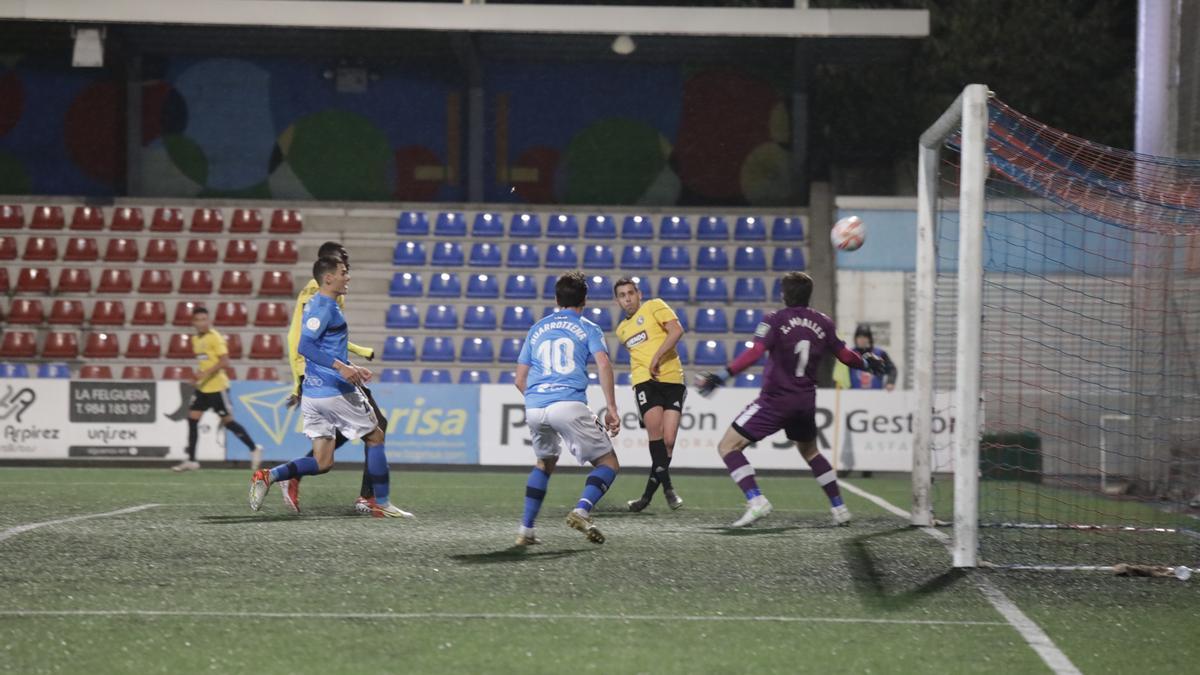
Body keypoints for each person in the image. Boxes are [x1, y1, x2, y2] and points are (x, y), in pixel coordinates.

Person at [695, 272, 886, 528]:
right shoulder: (824, 322)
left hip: (775, 400)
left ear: (784, 294)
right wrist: (865, 363)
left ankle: (756, 501)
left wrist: (721, 376)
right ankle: (840, 509)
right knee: (810, 451)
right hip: (805, 401)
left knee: (728, 447)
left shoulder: (774, 320)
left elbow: (754, 354)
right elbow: (844, 355)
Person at [250, 257, 412, 519]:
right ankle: (380, 502)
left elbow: (325, 348)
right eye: (343, 273)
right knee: (376, 436)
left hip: (314, 394)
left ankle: (269, 475)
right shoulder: (325, 307)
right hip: (334, 391)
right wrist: (342, 369)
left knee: (323, 462)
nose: (347, 277)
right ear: (328, 278)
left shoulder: (316, 304)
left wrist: (353, 366)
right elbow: (306, 346)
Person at [514, 271, 621, 546]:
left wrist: (541, 398)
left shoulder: (537, 328)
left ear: (556, 298)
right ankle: (582, 510)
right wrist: (611, 407)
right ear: (584, 300)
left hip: (535, 407)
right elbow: (604, 365)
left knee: (544, 463)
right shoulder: (588, 327)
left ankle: (526, 530)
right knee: (608, 463)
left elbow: (519, 380)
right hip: (568, 404)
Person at [280, 241, 385, 516]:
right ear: (329, 266)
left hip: (327, 368)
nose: (347, 268)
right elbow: (300, 338)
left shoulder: (332, 292)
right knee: (375, 428)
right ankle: (368, 498)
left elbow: (332, 338)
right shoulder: (317, 292)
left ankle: (295, 474)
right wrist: (298, 379)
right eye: (343, 262)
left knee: (360, 431)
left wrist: (358, 354)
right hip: (318, 372)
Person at [612, 277, 685, 512]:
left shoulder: (655, 306)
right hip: (645, 382)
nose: (627, 298)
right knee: (656, 432)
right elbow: (640, 354)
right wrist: (649, 365)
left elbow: (676, 331)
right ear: (618, 301)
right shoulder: (621, 331)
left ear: (639, 294)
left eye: (630, 293)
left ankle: (645, 498)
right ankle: (669, 489)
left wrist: (657, 358)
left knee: (669, 442)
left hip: (672, 378)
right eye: (622, 295)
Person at [173, 306, 263, 472]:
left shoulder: (215, 337)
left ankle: (253, 448)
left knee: (228, 422)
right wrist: (196, 377)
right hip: (203, 388)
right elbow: (205, 362)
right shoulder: (195, 340)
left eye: (204, 319)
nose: (201, 323)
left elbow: (224, 361)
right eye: (198, 320)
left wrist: (203, 374)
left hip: (217, 387)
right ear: (193, 322)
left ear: (209, 320)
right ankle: (192, 460)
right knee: (192, 419)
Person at [849, 324, 897, 391]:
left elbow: (892, 369)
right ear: (856, 339)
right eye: (859, 337)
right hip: (854, 396)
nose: (862, 340)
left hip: (876, 396)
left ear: (869, 339)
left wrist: (890, 382)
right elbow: (841, 375)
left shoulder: (880, 354)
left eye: (865, 337)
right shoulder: (850, 354)